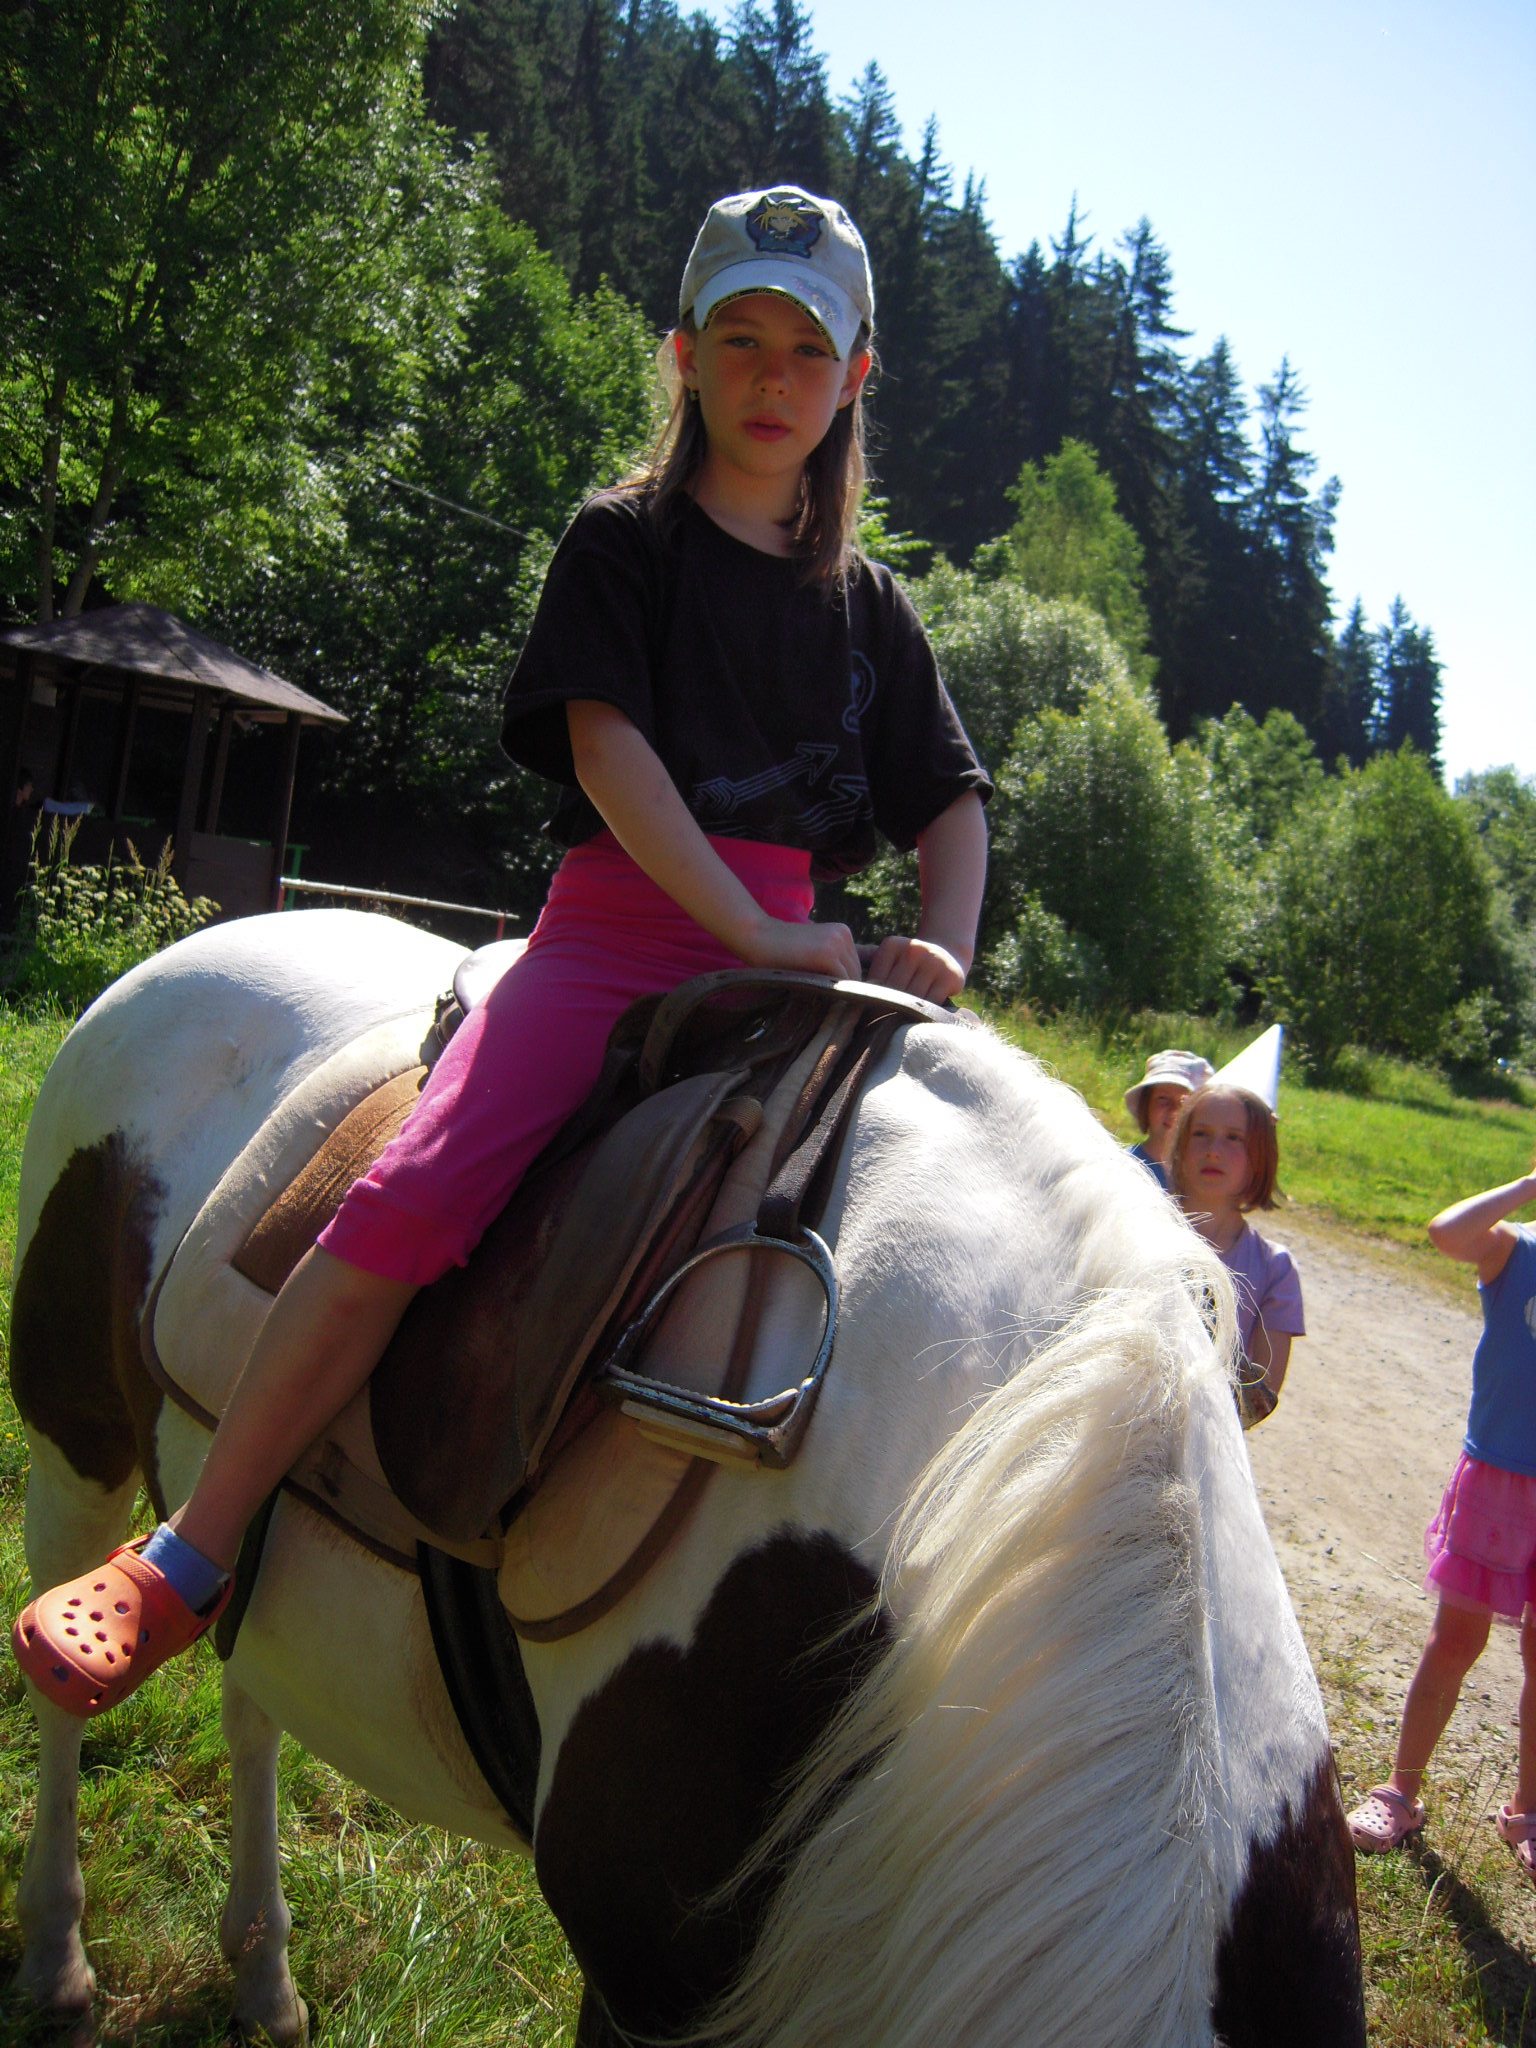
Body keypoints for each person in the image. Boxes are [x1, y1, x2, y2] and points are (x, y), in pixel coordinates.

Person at [13, 184, 992, 1716]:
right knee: (416, 1193)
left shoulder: (872, 610)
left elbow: (954, 803)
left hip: (802, 964)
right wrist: (745, 925)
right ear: (684, 354)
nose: (772, 377)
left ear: (856, 377)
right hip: (619, 940)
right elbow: (607, 746)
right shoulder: (624, 543)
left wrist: (944, 948)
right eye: (740, 339)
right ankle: (191, 1554)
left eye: (809, 351)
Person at [1345, 1154, 1536, 1875]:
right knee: (1455, 1640)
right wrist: (1527, 1189)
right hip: (1499, 1483)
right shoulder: (1515, 1249)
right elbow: (1445, 1232)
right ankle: (1401, 1792)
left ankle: (1527, 1811)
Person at [1169, 1082, 1304, 1425]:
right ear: (1180, 1146)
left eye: (1234, 1138)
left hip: (1207, 1441)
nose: (1214, 1151)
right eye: (1201, 1134)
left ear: (1260, 1157)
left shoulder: (1275, 1269)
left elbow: (1257, 1400)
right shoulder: (1137, 1230)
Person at [1123, 1049, 1214, 1188]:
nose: (1174, 1110)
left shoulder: (1207, 1175)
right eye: (1163, 1098)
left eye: (1185, 1101)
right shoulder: (1124, 1167)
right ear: (1146, 1106)